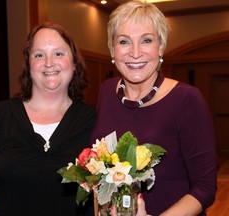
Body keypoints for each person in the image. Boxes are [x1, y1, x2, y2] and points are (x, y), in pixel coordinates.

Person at [90, 1, 217, 215]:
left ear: (161, 47)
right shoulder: (106, 91)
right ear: (112, 49)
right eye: (124, 42)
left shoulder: (187, 100)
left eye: (146, 40)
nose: (136, 52)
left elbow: (205, 189)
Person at [0, 22, 96, 216]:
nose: (49, 62)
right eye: (39, 55)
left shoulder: (94, 121)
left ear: (74, 63)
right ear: (28, 65)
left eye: (58, 53)